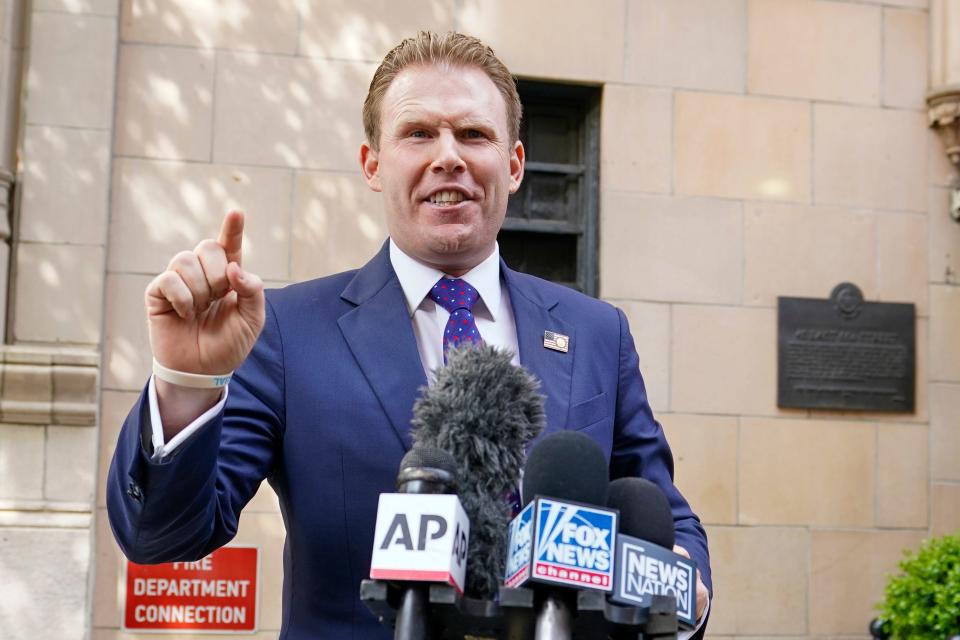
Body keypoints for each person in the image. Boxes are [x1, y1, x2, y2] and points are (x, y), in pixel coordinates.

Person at [107, 31, 712, 638]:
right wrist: (185, 381)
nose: (448, 156)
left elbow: (666, 522)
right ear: (372, 164)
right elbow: (162, 535)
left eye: (473, 134)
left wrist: (682, 592)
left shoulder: (596, 331)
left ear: (515, 164)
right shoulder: (288, 332)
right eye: (418, 133)